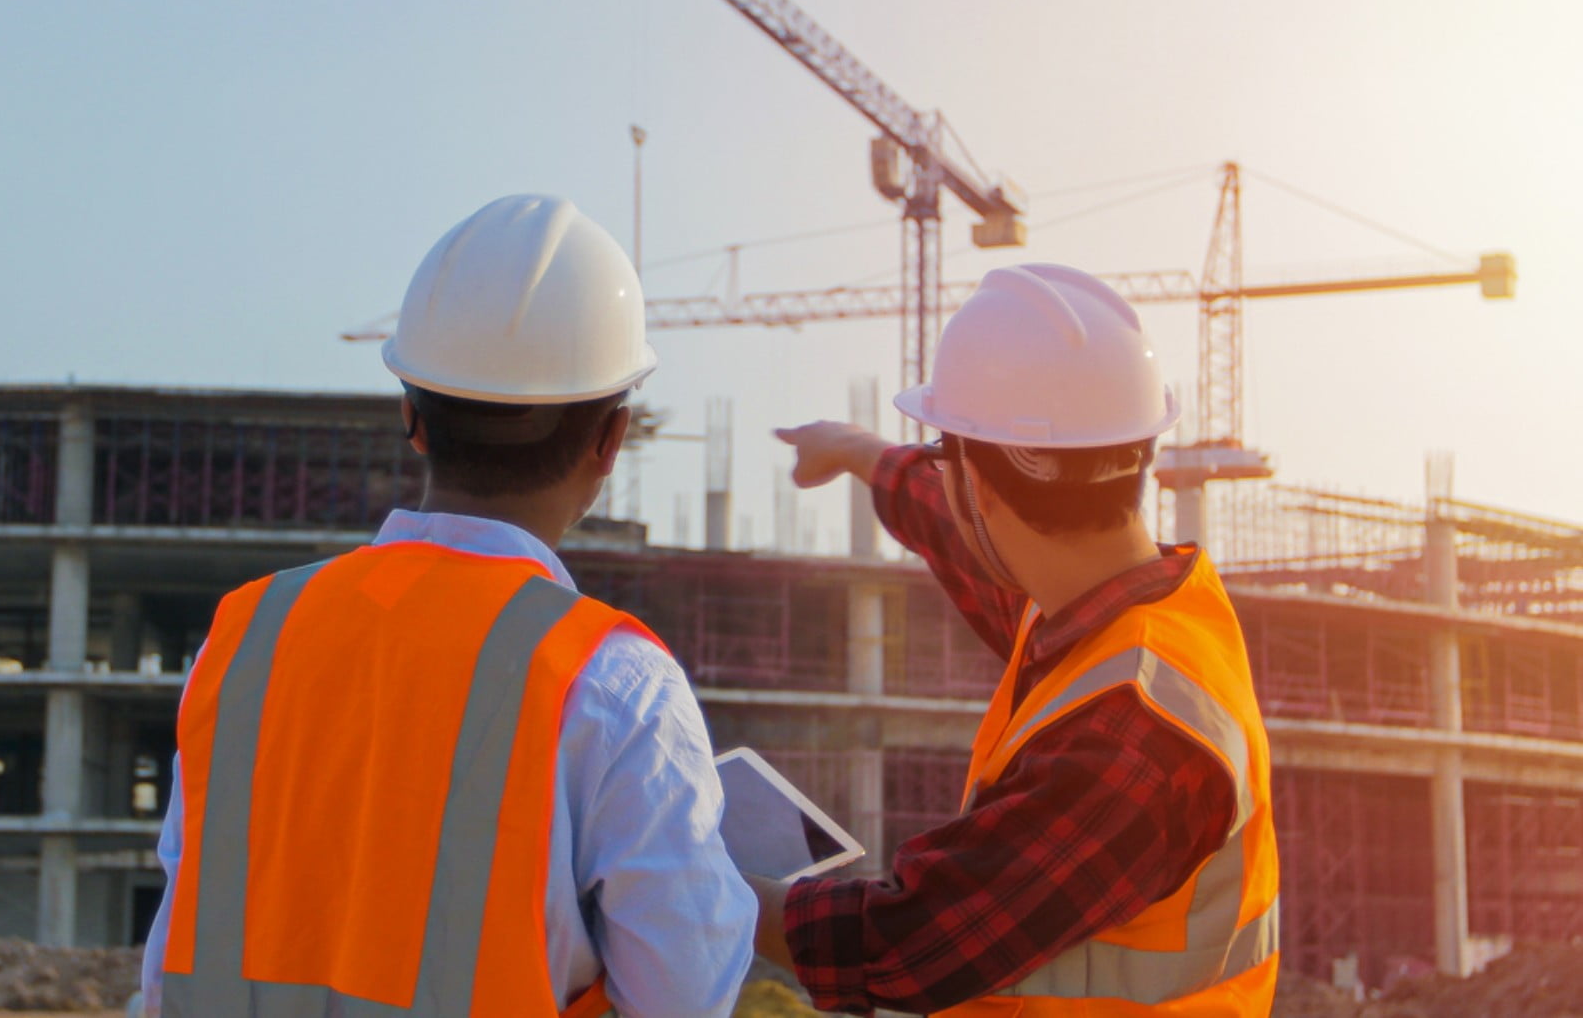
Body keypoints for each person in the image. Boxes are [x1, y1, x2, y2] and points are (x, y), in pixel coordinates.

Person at [138, 194, 754, 1018]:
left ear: (411, 417)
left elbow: (176, 946)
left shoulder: (246, 637)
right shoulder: (614, 685)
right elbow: (685, 994)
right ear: (612, 439)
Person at [761, 263, 1279, 1016]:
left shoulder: (1132, 737)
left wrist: (709, 890)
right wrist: (855, 450)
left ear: (981, 481)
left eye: (949, 458)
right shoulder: (1131, 614)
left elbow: (907, 944)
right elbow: (956, 521)